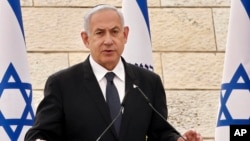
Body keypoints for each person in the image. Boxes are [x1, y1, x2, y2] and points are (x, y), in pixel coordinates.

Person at [25, 4, 203, 141]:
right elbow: (40, 133)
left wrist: (177, 139)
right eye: (100, 33)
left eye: (114, 32)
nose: (108, 40)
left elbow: (161, 133)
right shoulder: (62, 84)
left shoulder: (149, 82)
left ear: (125, 35)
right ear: (86, 39)